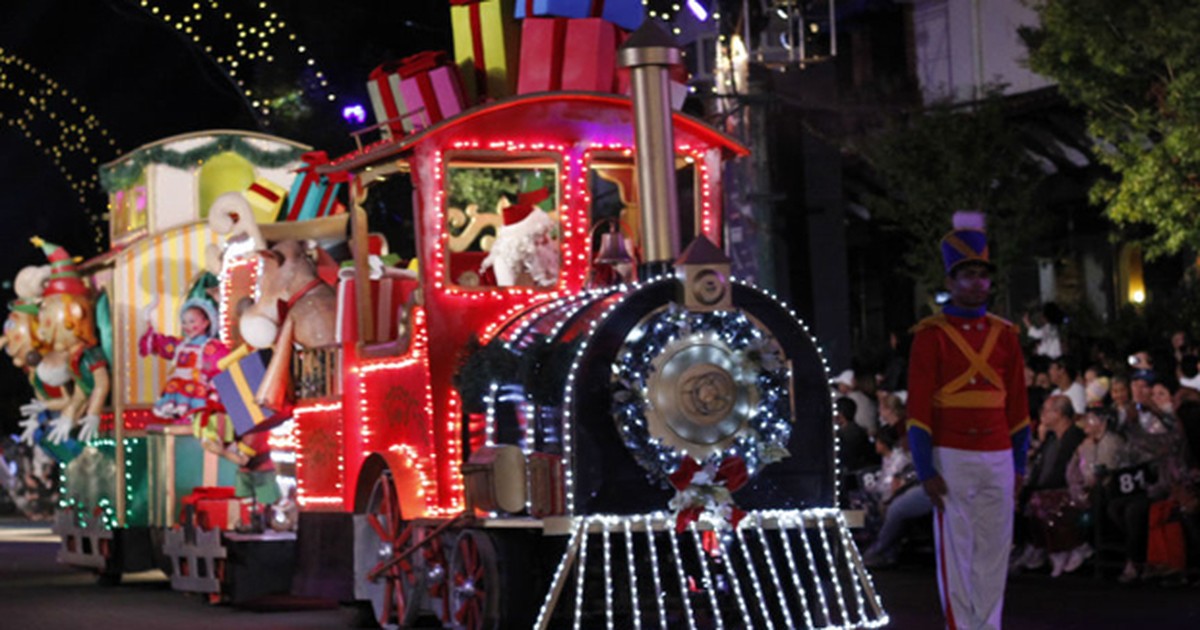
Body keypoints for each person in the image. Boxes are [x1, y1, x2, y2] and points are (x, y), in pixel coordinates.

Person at [906, 224, 1029, 630]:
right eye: (968, 274)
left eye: (983, 274)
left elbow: (1018, 408)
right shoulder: (930, 336)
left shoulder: (1005, 335)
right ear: (951, 281)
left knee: (995, 550)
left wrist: (1020, 466)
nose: (978, 283)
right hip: (952, 455)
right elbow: (920, 411)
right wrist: (925, 469)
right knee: (957, 553)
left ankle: (988, 626)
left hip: (998, 454)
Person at [833, 369, 879, 436]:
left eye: (840, 384)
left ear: (847, 385)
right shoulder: (864, 397)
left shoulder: (852, 399)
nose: (839, 387)